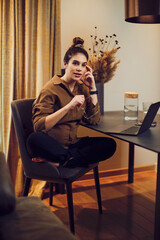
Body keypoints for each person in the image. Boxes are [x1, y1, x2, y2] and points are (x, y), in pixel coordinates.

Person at [27, 37, 116, 168]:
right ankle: (70, 159)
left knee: (109, 144)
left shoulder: (82, 88)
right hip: (52, 145)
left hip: (73, 144)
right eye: (75, 63)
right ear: (65, 64)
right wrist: (69, 106)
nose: (79, 68)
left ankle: (62, 161)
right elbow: (39, 126)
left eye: (83, 64)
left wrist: (92, 88)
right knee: (33, 139)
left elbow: (94, 120)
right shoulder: (50, 89)